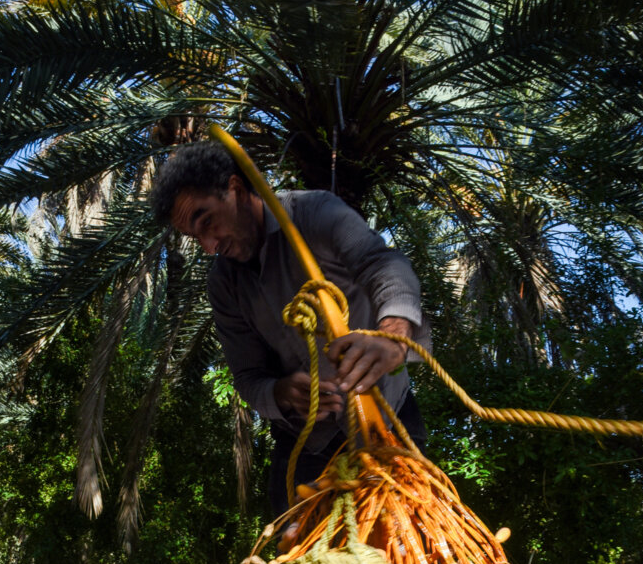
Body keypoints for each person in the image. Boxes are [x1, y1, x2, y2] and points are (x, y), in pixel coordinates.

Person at [151, 142, 432, 515]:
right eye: (195, 237)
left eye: (207, 223)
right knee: (297, 552)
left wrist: (394, 335)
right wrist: (281, 392)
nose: (208, 246)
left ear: (235, 189)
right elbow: (248, 377)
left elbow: (383, 264)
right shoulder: (223, 284)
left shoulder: (314, 213)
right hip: (306, 445)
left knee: (414, 544)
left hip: (390, 420)